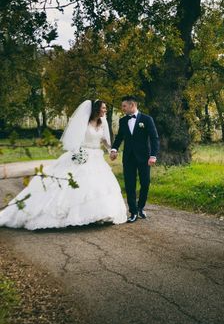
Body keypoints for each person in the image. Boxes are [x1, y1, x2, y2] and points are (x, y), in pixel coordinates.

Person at [0, 100, 128, 230]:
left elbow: (105, 140)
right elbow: (74, 139)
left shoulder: (103, 122)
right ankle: (72, 215)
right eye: (103, 108)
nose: (105, 110)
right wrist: (77, 153)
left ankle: (101, 214)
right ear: (96, 109)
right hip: (82, 155)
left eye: (105, 108)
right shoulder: (84, 122)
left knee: (98, 187)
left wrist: (111, 150)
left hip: (97, 158)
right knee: (76, 185)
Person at [110, 95, 159, 223]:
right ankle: (133, 212)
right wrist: (114, 149)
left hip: (144, 158)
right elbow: (120, 137)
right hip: (128, 157)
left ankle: (140, 207)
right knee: (130, 185)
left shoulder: (147, 119)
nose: (122, 109)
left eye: (124, 106)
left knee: (145, 183)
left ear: (132, 105)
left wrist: (153, 156)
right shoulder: (122, 121)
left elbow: (154, 138)